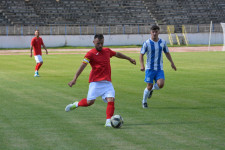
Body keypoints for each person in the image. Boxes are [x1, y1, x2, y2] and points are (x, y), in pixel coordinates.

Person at [65, 34, 136, 127]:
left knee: (111, 99)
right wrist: (74, 79)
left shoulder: (107, 51)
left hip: (107, 83)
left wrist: (129, 59)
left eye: (102, 43)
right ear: (94, 42)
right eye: (98, 43)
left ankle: (108, 121)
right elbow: (82, 66)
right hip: (95, 82)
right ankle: (76, 104)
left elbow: (117, 54)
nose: (100, 45)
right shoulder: (90, 54)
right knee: (89, 102)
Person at [140, 25, 177, 108]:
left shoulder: (163, 42)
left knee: (161, 84)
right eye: (153, 31)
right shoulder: (147, 43)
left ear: (158, 32)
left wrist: (172, 63)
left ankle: (152, 89)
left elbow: (167, 53)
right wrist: (142, 65)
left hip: (159, 68)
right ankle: (144, 102)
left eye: (156, 31)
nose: (154, 33)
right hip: (149, 68)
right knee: (148, 86)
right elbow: (141, 54)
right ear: (150, 32)